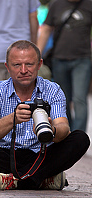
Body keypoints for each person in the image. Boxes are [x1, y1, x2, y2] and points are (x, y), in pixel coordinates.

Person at [0, 40, 90, 190]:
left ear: (39, 65)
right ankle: (41, 179)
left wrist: (52, 130)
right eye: (17, 65)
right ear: (7, 67)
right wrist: (12, 119)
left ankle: (11, 180)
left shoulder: (53, 90)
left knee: (80, 138)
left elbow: (64, 128)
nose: (24, 70)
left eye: (29, 64)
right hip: (7, 155)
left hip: (42, 154)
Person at [37, 0, 92, 132]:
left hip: (82, 60)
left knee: (79, 99)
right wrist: (36, 54)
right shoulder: (56, 4)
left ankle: (78, 138)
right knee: (62, 99)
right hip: (58, 59)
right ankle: (66, 134)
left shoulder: (89, 4)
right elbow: (46, 30)